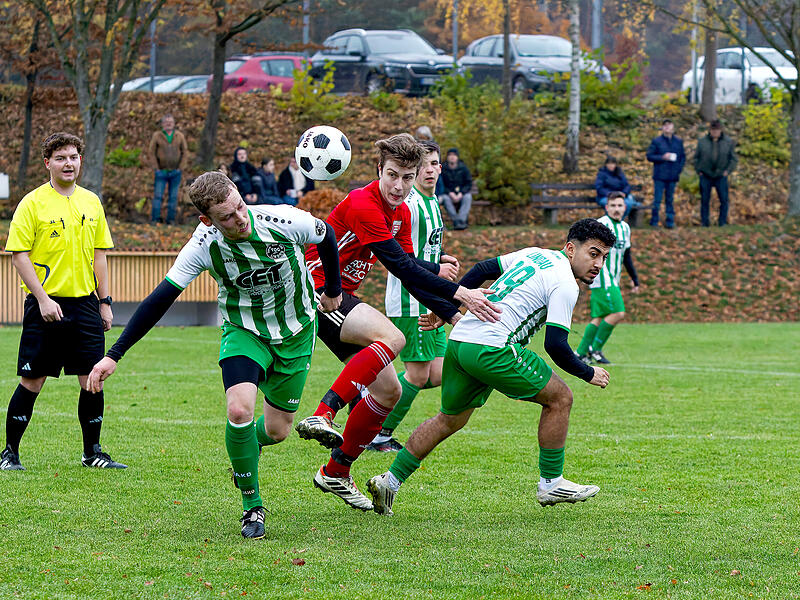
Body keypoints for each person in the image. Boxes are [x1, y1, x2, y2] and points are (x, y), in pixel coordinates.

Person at [86, 171, 343, 539]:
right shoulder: (203, 245)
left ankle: (241, 447)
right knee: (239, 409)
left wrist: (332, 288)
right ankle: (252, 507)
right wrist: (114, 354)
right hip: (243, 331)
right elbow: (159, 300)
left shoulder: (284, 220)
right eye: (227, 216)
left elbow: (327, 235)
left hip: (296, 332)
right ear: (207, 220)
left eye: (239, 207)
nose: (239, 218)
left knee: (277, 430)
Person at [297, 133, 500, 511]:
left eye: (408, 177)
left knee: (389, 392)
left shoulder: (402, 212)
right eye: (393, 175)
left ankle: (336, 472)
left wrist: (453, 314)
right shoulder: (363, 202)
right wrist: (460, 293)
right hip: (317, 289)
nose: (399, 186)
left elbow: (409, 273)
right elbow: (403, 266)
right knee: (391, 336)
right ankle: (323, 413)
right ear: (379, 171)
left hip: (341, 297)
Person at [366, 218, 616, 516]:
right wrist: (589, 372)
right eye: (593, 253)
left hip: (460, 342)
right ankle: (551, 482)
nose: (598, 263)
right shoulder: (565, 283)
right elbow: (556, 346)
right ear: (571, 248)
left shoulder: (534, 253)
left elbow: (483, 269)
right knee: (560, 398)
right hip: (492, 347)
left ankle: (389, 482)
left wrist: (447, 307)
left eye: (604, 257)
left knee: (449, 419)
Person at [1, 132, 124, 472]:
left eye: (73, 157)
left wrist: (105, 301)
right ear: (48, 163)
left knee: (92, 379)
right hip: (46, 306)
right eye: (60, 158)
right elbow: (18, 256)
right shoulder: (32, 203)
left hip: (85, 305)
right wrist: (42, 299)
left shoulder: (91, 202)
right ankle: (10, 453)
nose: (68, 163)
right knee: (33, 380)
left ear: (80, 161)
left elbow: (100, 257)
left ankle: (93, 452)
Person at [368, 140, 454, 452]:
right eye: (424, 165)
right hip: (410, 300)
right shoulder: (411, 205)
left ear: (440, 168)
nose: (430, 170)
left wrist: (441, 259)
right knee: (418, 375)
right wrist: (435, 271)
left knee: (439, 371)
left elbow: (423, 248)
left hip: (431, 299)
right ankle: (378, 432)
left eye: (434, 164)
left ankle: (368, 396)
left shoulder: (433, 203)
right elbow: (398, 256)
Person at [576, 192, 640, 364]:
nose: (616, 209)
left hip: (614, 278)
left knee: (599, 316)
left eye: (619, 206)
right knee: (618, 313)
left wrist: (634, 278)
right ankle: (594, 349)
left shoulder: (625, 228)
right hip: (602, 277)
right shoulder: (601, 224)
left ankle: (581, 353)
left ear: (625, 207)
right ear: (607, 207)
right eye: (613, 206)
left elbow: (627, 255)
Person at [693, 120, 737, 227]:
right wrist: (699, 170)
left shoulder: (728, 141)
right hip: (705, 175)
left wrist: (728, 171)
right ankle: (705, 222)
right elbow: (696, 158)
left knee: (724, 200)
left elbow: (733, 159)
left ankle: (722, 222)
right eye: (713, 130)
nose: (715, 132)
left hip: (721, 175)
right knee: (704, 200)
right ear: (710, 130)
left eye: (717, 130)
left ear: (721, 130)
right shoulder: (702, 141)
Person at [149, 114, 189, 224]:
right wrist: (156, 168)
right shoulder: (157, 135)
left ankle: (170, 220)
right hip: (161, 172)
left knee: (173, 197)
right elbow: (151, 152)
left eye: (170, 122)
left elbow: (185, 152)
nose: (168, 124)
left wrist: (181, 167)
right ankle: (155, 219)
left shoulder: (179, 136)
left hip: (175, 172)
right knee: (158, 196)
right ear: (162, 124)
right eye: (166, 122)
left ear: (174, 123)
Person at [646, 119, 685, 229]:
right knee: (657, 199)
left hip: (673, 175)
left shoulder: (678, 141)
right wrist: (662, 157)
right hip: (659, 175)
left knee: (670, 199)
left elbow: (682, 157)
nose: (667, 127)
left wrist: (679, 170)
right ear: (662, 128)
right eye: (665, 125)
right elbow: (649, 156)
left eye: (669, 125)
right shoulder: (657, 141)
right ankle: (654, 221)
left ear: (673, 127)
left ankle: (670, 222)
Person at [438, 148, 473, 230]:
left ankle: (461, 221)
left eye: (454, 155)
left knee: (468, 197)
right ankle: (456, 221)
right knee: (446, 199)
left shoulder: (463, 168)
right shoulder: (443, 169)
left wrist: (461, 193)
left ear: (457, 157)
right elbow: (441, 184)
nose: (452, 157)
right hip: (448, 194)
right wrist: (450, 193)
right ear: (447, 157)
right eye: (450, 155)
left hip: (461, 194)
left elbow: (468, 183)